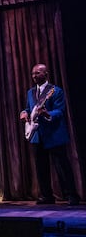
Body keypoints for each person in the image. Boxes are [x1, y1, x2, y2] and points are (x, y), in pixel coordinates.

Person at [19, 63, 80, 206]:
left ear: (46, 74)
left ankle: (71, 195)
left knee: (62, 166)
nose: (34, 76)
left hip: (54, 134)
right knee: (41, 167)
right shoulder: (30, 92)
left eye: (37, 73)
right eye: (33, 73)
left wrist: (47, 114)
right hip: (37, 134)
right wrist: (24, 112)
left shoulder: (55, 91)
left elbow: (60, 111)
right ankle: (46, 195)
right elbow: (29, 108)